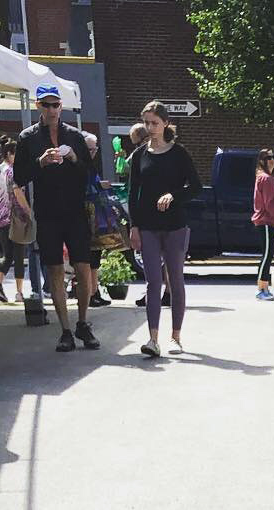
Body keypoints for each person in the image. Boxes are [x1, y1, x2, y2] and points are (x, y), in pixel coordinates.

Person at [13, 84, 100, 352]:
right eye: (46, 105)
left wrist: (74, 157)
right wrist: (40, 162)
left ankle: (83, 323)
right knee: (54, 270)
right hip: (48, 213)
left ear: (61, 106)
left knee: (84, 267)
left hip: (74, 211)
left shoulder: (74, 135)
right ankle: (65, 330)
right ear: (38, 106)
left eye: (55, 105)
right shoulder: (27, 137)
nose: (51, 109)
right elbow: (19, 177)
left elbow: (90, 173)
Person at [128, 101, 202, 357]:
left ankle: (176, 337)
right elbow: (132, 194)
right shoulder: (139, 155)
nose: (150, 128)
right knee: (153, 282)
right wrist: (134, 226)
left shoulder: (178, 153)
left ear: (165, 123)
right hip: (147, 225)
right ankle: (153, 338)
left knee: (175, 279)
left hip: (175, 226)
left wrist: (173, 195)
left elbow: (195, 187)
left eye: (154, 123)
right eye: (147, 123)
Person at [128, 123, 172, 309]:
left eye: (135, 143)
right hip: (165, 210)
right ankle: (166, 292)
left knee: (154, 256)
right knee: (164, 256)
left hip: (154, 212)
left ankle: (158, 293)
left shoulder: (146, 156)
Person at [0, 136, 28, 303]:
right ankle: (19, 293)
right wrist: (28, 211)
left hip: (0, 219)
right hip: (17, 218)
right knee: (19, 255)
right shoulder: (14, 171)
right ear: (11, 154)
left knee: (8, 255)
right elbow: (18, 193)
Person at [252, 148, 274, 301]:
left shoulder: (264, 177)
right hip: (266, 221)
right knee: (267, 255)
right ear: (262, 161)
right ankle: (261, 289)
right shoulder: (266, 179)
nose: (272, 160)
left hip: (266, 222)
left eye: (273, 157)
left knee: (267, 255)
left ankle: (264, 288)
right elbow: (271, 204)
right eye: (268, 158)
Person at [83, 132, 111, 308]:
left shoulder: (91, 166)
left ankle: (95, 291)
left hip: (96, 217)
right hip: (87, 217)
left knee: (95, 257)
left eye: (95, 149)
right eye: (90, 150)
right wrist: (99, 187)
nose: (93, 153)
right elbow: (85, 189)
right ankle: (90, 293)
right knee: (89, 257)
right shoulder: (82, 166)